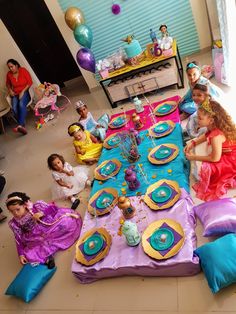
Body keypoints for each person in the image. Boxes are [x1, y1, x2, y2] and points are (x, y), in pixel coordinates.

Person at [6, 192, 82, 267]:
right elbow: (18, 239)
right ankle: (48, 257)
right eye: (12, 211)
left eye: (17, 209)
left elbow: (54, 209)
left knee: (66, 222)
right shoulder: (14, 223)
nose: (15, 213)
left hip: (48, 227)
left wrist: (42, 213)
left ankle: (49, 249)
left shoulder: (35, 207)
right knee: (29, 256)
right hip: (35, 237)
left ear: (24, 205)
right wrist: (21, 254)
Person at [184, 99, 236, 201]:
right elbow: (206, 134)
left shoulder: (216, 136)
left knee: (203, 171)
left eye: (200, 118)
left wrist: (193, 157)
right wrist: (193, 143)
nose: (197, 120)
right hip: (227, 150)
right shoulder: (213, 126)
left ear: (211, 120)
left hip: (232, 159)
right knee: (199, 149)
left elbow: (215, 158)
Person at [6, 59, 33, 135]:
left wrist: (23, 91)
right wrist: (10, 90)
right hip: (15, 93)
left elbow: (30, 82)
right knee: (14, 107)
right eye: (9, 67)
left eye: (12, 66)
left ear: (16, 65)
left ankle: (20, 125)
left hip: (25, 92)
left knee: (21, 104)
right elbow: (7, 84)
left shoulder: (23, 70)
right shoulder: (9, 74)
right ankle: (22, 126)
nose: (10, 69)